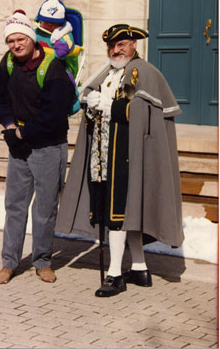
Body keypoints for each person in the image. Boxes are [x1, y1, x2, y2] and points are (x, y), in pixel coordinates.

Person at [55, 23, 184, 297]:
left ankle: (114, 274)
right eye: (112, 46)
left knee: (118, 215)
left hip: (128, 156)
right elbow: (95, 108)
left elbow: (144, 113)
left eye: (121, 44)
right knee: (125, 212)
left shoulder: (145, 72)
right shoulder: (108, 73)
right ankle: (139, 268)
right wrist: (91, 107)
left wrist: (110, 106)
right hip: (104, 155)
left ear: (134, 44)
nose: (116, 50)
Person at [0, 10, 75, 285]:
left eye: (20, 39)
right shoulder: (9, 63)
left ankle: (42, 261)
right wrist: (10, 125)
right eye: (10, 41)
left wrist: (22, 132)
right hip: (19, 143)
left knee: (45, 208)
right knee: (15, 205)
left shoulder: (53, 67)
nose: (16, 45)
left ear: (30, 37)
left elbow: (55, 113)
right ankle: (9, 262)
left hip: (48, 145)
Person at [34, 0, 80, 115]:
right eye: (46, 22)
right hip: (36, 64)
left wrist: (58, 44)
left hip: (58, 65)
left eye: (53, 23)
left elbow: (62, 51)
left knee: (66, 79)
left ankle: (72, 103)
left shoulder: (63, 33)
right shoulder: (36, 32)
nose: (49, 25)